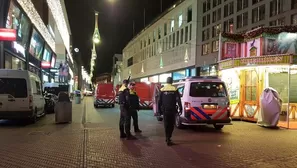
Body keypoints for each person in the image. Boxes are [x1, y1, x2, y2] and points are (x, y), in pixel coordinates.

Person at [158, 77, 182, 146]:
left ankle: (167, 137)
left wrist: (159, 110)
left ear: (166, 81)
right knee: (171, 124)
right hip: (172, 110)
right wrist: (180, 108)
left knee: (166, 124)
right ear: (172, 81)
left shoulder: (162, 89)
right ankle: (169, 137)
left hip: (165, 110)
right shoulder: (175, 89)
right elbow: (178, 100)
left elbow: (159, 101)